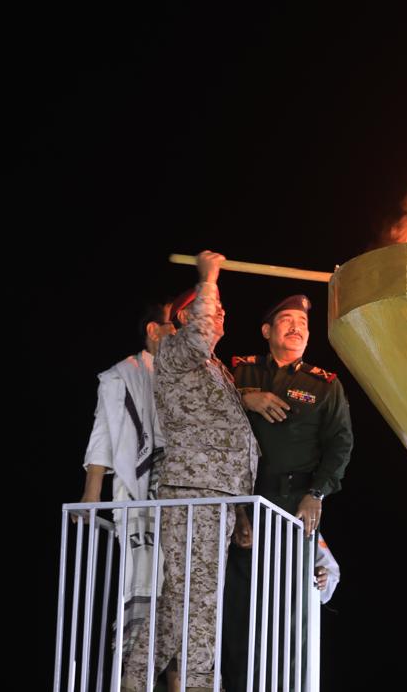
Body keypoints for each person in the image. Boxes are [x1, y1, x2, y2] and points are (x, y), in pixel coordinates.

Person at [123, 251, 260, 692]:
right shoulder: (177, 351)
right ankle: (195, 684)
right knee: (196, 602)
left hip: (213, 494)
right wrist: (208, 277)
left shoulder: (210, 367)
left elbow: (230, 436)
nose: (219, 314)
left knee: (185, 602)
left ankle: (134, 678)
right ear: (186, 315)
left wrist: (239, 511)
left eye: (220, 307)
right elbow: (202, 332)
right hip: (193, 492)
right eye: (211, 307)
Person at [220, 293, 353, 692]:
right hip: (241, 502)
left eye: (303, 323)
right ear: (267, 330)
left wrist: (317, 493)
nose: (297, 327)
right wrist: (248, 400)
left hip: (294, 507)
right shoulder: (237, 373)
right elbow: (209, 411)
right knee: (239, 610)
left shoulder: (324, 384)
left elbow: (340, 445)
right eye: (287, 320)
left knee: (289, 610)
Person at [77, 299, 175, 654]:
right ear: (153, 331)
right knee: (142, 578)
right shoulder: (123, 374)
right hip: (138, 486)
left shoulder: (185, 374)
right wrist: (91, 495)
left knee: (178, 587)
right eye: (173, 326)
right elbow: (102, 435)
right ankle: (135, 666)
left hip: (179, 489)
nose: (179, 334)